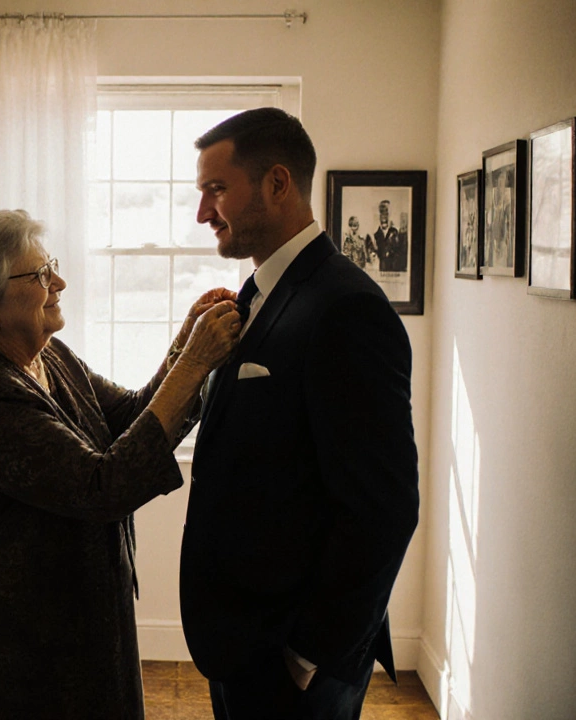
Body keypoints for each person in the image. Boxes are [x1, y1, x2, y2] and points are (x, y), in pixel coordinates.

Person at [0, 209, 240, 719]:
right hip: (3, 643)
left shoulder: (52, 356)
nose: (60, 282)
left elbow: (131, 417)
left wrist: (185, 343)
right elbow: (100, 487)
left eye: (53, 266)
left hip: (63, 624)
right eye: (41, 274)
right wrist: (196, 362)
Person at [181, 107, 419, 720]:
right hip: (242, 641)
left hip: (293, 660)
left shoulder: (345, 310)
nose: (204, 213)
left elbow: (383, 509)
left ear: (278, 184)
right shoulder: (257, 294)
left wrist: (308, 656)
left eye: (216, 190)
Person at [371, 200, 408, 272]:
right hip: (382, 270)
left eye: (386, 211)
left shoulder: (396, 232)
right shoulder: (376, 235)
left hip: (396, 270)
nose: (384, 214)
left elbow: (402, 252)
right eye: (382, 211)